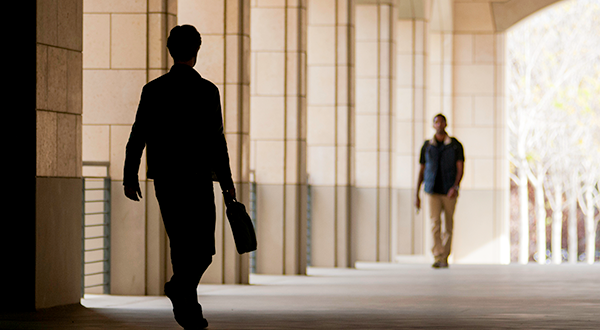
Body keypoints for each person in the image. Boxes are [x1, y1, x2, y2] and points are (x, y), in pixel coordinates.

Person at [123, 24, 236, 329]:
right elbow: (217, 142)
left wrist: (129, 174)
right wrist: (227, 185)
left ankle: (181, 292)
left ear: (171, 50)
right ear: (196, 52)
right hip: (198, 179)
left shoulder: (154, 89)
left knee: (181, 245)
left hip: (166, 179)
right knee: (203, 250)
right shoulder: (207, 91)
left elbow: (139, 134)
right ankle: (188, 306)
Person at [415, 114, 464, 269]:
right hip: (432, 190)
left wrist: (455, 187)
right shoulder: (427, 146)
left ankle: (445, 256)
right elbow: (422, 170)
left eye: (442, 121)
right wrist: (417, 193)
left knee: (448, 224)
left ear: (446, 124)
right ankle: (437, 256)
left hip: (449, 191)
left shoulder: (455, 145)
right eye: (436, 122)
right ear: (433, 125)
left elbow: (460, 168)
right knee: (435, 223)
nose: (439, 124)